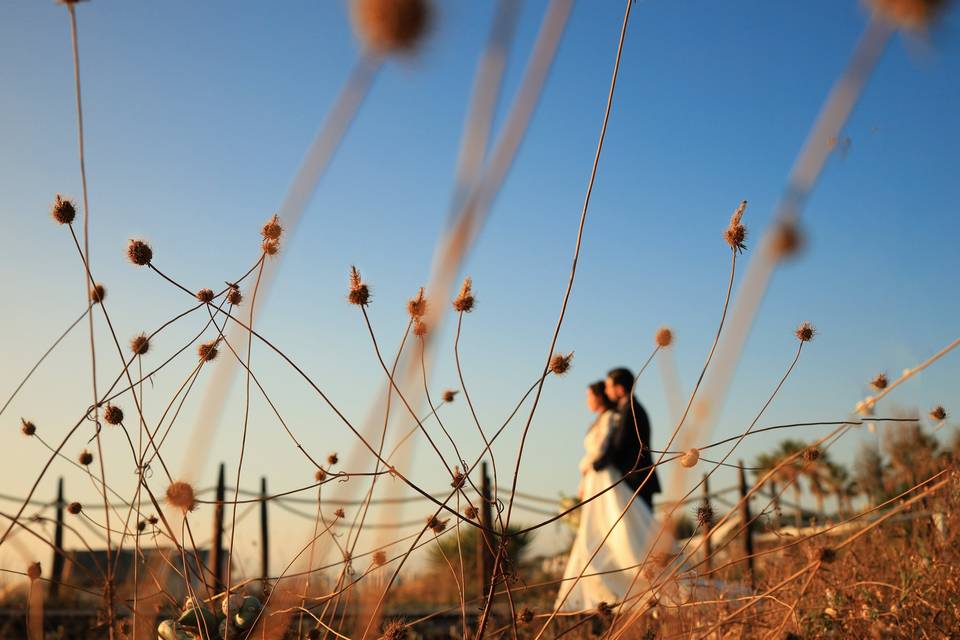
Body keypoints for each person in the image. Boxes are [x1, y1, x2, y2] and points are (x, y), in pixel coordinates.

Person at [554, 381, 665, 612]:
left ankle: (624, 581)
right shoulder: (604, 417)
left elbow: (604, 451)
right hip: (595, 478)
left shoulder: (612, 417)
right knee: (598, 529)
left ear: (600, 397)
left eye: (589, 397)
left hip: (604, 477)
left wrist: (586, 466)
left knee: (610, 527)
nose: (587, 401)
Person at [595, 367, 661, 508]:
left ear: (619, 389)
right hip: (633, 477)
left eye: (608, 387)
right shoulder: (628, 409)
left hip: (636, 478)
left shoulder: (631, 410)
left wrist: (599, 464)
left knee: (641, 523)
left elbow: (620, 443)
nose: (606, 391)